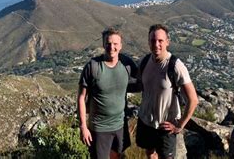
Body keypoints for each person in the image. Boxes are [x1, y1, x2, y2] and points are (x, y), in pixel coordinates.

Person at [136, 24, 199, 159]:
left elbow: (193, 100)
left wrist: (180, 125)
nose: (156, 44)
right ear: (148, 42)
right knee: (150, 152)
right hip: (146, 121)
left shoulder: (175, 66)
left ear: (167, 42)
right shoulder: (144, 62)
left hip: (165, 126)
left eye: (160, 41)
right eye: (153, 41)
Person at [77, 27, 138, 159]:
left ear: (120, 46)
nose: (112, 47)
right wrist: (83, 126)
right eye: (108, 43)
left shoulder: (127, 64)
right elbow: (81, 97)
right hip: (99, 128)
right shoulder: (92, 67)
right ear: (103, 44)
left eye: (115, 44)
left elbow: (144, 79)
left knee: (118, 155)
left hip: (120, 125)